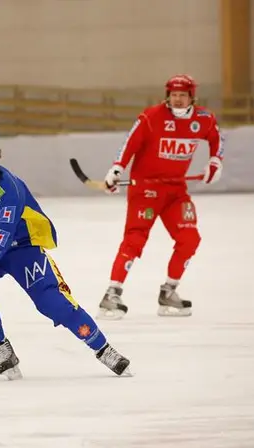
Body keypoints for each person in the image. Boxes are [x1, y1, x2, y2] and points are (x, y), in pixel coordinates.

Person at [0, 121, 131, 380]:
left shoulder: (8, 188)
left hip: (21, 247)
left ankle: (103, 348)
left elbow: (0, 242)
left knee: (52, 302)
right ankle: (2, 350)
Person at [98, 74, 224, 320]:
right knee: (135, 239)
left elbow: (216, 140)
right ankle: (111, 294)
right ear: (167, 95)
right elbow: (130, 144)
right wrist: (116, 169)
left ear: (191, 97)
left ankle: (169, 291)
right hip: (145, 190)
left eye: (182, 95)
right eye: (174, 95)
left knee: (190, 238)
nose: (177, 99)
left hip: (176, 191)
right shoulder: (152, 116)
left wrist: (215, 161)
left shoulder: (204, 119)